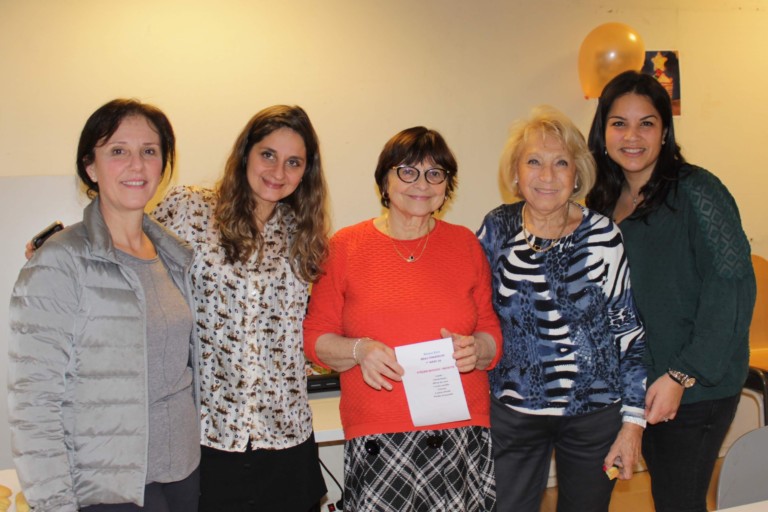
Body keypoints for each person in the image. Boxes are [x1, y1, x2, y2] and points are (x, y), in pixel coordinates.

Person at [8, 99, 201, 511]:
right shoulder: (59, 262)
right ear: (91, 168)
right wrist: (54, 504)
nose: (137, 165)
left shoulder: (174, 256)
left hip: (183, 474)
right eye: (118, 150)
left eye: (149, 151)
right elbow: (33, 405)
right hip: (109, 489)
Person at [303, 126, 503, 511]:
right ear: (384, 179)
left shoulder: (465, 244)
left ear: (447, 185)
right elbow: (315, 337)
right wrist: (359, 349)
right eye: (407, 171)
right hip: (380, 432)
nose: (421, 184)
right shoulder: (344, 247)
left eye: (434, 173)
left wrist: (478, 347)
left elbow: (491, 331)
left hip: (459, 427)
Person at [586, 71, 756, 512]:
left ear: (665, 131)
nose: (633, 136)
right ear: (602, 130)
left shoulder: (697, 190)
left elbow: (733, 285)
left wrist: (684, 373)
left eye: (647, 123)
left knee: (678, 500)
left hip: (693, 387)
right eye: (619, 123)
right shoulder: (601, 200)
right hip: (633, 384)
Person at [151, 105, 329, 512]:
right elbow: (127, 249)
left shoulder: (303, 235)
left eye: (293, 162)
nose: (278, 172)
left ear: (306, 172)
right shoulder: (189, 209)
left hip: (285, 434)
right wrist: (70, 246)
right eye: (268, 154)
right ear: (245, 153)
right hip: (207, 433)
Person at [477, 105, 647, 512]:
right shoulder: (496, 227)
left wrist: (633, 423)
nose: (547, 175)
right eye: (533, 161)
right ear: (516, 174)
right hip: (513, 413)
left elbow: (629, 331)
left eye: (560, 163)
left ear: (576, 175)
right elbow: (472, 310)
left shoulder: (604, 235)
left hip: (595, 415)